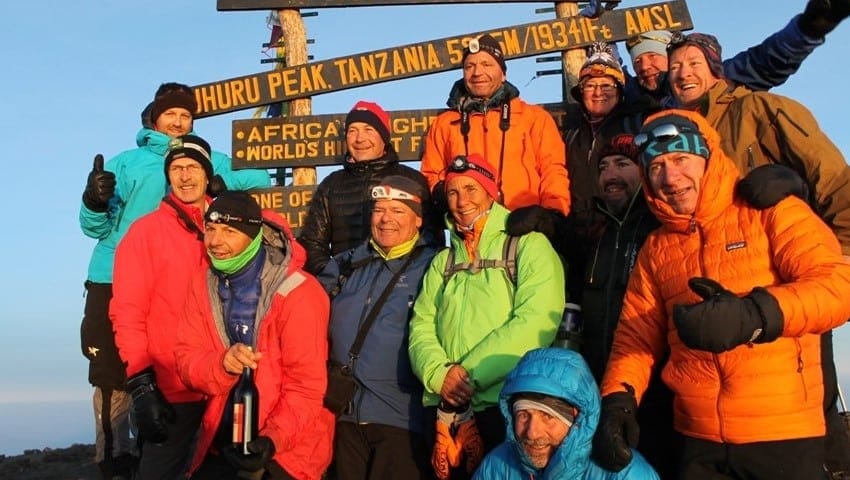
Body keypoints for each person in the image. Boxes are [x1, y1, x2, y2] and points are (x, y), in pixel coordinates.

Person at [592, 110, 850, 479]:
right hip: (697, 441)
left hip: (783, 434)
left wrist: (754, 317)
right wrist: (617, 400)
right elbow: (636, 335)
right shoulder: (657, 247)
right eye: (656, 166)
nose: (670, 177)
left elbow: (838, 286)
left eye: (681, 159)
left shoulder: (769, 210)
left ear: (707, 157)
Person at [665, 31, 850, 476]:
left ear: (714, 67)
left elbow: (833, 178)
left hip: (779, 275)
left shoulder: (760, 108)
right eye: (674, 67)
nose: (682, 73)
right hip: (712, 280)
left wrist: (835, 258)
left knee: (808, 395)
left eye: (693, 63)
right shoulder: (675, 133)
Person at [79, 83, 270, 479]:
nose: (178, 121)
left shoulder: (207, 158)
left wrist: (224, 185)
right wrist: (95, 201)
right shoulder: (127, 162)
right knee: (115, 379)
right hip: (114, 275)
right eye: (171, 115)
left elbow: (261, 177)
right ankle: (115, 463)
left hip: (184, 298)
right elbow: (95, 226)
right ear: (154, 119)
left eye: (185, 116)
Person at [408, 154, 565, 479]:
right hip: (443, 409)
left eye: (471, 189)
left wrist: (465, 375)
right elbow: (421, 324)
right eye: (452, 192)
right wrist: (439, 375)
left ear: (491, 192)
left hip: (506, 407)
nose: (462, 200)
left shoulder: (529, 246)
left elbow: (535, 323)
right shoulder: (443, 261)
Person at [175, 191, 334, 480]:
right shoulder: (203, 284)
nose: (215, 241)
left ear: (253, 235)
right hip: (221, 440)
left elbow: (307, 387)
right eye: (210, 229)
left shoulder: (298, 291)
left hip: (286, 452)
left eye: (229, 231)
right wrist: (221, 364)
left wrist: (272, 439)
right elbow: (187, 357)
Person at [110, 135, 224, 479]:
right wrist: (142, 383)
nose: (185, 176)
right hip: (172, 385)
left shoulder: (228, 227)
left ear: (207, 175)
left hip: (225, 380)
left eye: (192, 167)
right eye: (176, 168)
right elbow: (127, 311)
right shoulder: (144, 233)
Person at [317, 175, 438, 480]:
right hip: (343, 415)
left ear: (418, 219)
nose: (386, 220)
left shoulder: (434, 266)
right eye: (379, 210)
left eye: (398, 211)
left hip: (401, 420)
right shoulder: (344, 266)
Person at [419, 34, 570, 224]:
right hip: (469, 232)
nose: (477, 72)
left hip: (526, 228)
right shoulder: (445, 124)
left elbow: (553, 171)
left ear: (503, 73)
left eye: (487, 64)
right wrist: (447, 197)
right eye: (469, 66)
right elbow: (431, 174)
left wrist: (551, 216)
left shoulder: (534, 118)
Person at [298, 100, 439, 276]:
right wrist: (335, 278)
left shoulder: (411, 180)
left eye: (368, 130)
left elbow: (432, 237)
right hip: (345, 290)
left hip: (401, 286)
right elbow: (312, 243)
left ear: (384, 137)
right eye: (352, 131)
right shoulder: (331, 185)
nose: (359, 139)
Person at [473, 348, 658, 480]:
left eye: (548, 417)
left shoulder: (625, 474)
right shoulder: (497, 466)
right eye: (523, 415)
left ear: (577, 418)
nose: (532, 432)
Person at [624, 0, 850, 105]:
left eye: (653, 56)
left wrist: (805, 31)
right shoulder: (629, 100)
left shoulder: (716, 82)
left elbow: (762, 62)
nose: (644, 67)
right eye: (637, 62)